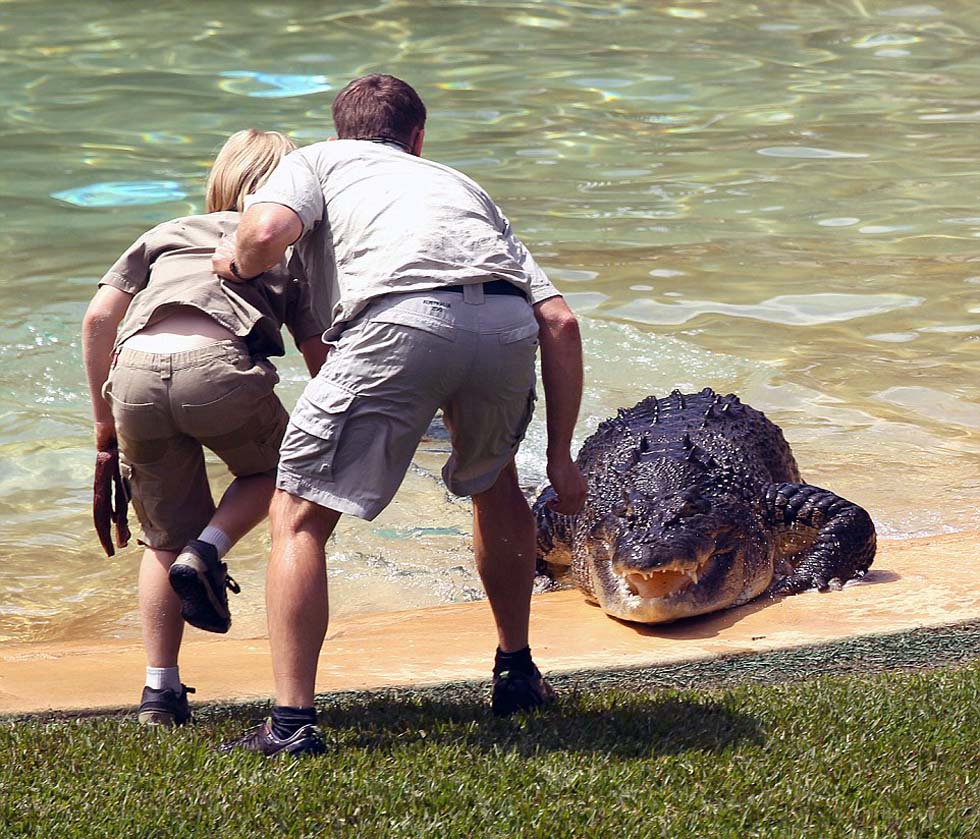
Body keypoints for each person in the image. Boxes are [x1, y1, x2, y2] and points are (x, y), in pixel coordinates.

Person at [213, 75, 587, 757]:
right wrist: (560, 455)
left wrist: (234, 260)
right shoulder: (458, 184)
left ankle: (291, 725)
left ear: (337, 132)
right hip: (504, 322)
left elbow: (266, 231)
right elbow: (558, 320)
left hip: (401, 318)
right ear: (417, 139)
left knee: (296, 512)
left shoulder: (316, 162)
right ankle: (517, 672)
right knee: (495, 482)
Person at [82, 129, 329, 726]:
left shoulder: (167, 231)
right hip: (218, 369)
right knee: (283, 473)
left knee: (160, 537)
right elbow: (318, 350)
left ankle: (159, 695)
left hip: (133, 371)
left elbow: (98, 318)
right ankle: (209, 550)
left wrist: (102, 426)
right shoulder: (285, 249)